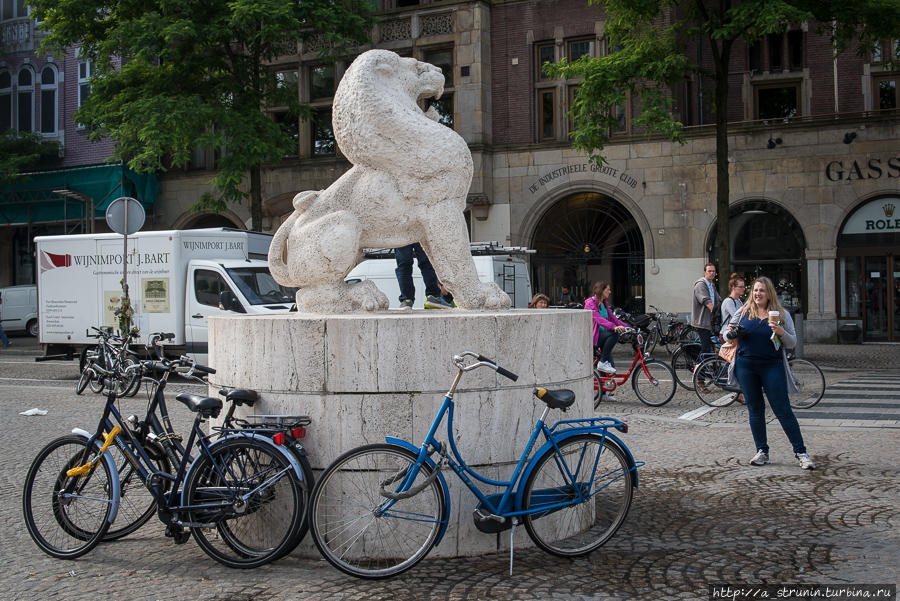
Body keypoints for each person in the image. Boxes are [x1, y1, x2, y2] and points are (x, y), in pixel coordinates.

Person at [725, 276, 814, 470]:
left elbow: (792, 343)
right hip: (746, 366)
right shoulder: (743, 312)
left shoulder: (781, 314)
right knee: (755, 409)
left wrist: (781, 331)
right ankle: (762, 451)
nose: (758, 294)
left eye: (762, 291)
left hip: (771, 366)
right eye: (755, 290)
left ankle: (801, 452)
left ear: (769, 294)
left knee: (782, 409)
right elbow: (726, 334)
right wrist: (731, 334)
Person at [584, 281, 628, 376]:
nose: (610, 292)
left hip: (603, 337)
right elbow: (599, 319)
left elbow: (613, 318)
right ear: (601, 290)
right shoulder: (590, 303)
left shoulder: (604, 304)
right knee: (614, 333)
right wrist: (614, 327)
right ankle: (603, 361)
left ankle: (604, 390)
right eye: (608, 289)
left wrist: (628, 327)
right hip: (594, 337)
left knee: (610, 371)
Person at [394, 243, 452, 310]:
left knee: (403, 265)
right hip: (419, 234)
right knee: (427, 263)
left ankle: (406, 300)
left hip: (402, 234)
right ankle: (433, 297)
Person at [691, 262, 721, 355]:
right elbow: (706, 301)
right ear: (705, 272)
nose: (712, 273)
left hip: (710, 321)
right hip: (702, 321)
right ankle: (701, 368)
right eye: (709, 271)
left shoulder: (712, 285)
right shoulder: (701, 285)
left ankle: (709, 365)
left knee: (712, 346)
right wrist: (716, 313)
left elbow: (718, 300)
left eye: (713, 271)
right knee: (706, 349)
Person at [719, 273, 745, 340]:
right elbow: (736, 316)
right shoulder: (728, 301)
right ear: (733, 287)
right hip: (727, 334)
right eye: (741, 287)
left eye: (743, 287)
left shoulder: (739, 300)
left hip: (734, 333)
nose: (743, 289)